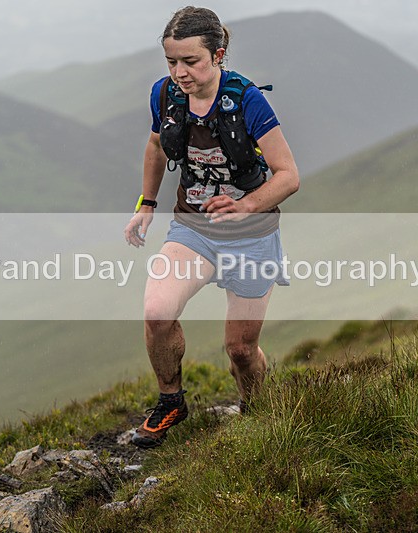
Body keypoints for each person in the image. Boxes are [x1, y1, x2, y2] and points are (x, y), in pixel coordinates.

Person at [123, 6, 299, 448]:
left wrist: (246, 205)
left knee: (241, 350)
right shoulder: (164, 95)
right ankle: (171, 401)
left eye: (190, 61)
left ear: (218, 54)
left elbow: (288, 175)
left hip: (252, 235)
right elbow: (155, 145)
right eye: (171, 61)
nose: (179, 72)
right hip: (193, 229)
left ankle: (257, 412)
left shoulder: (247, 100)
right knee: (157, 311)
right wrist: (147, 202)